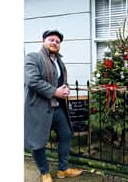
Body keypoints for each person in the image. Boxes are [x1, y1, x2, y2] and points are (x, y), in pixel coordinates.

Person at [24, 29, 83, 182]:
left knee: (66, 135)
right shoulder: (33, 57)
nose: (55, 43)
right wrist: (55, 92)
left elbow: (59, 81)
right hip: (39, 109)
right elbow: (33, 81)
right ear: (43, 41)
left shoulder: (59, 62)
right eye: (51, 39)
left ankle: (63, 170)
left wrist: (65, 88)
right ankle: (44, 173)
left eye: (57, 41)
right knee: (38, 143)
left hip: (57, 108)